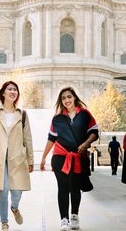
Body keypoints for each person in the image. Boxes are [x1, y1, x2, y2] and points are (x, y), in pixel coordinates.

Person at [40, 87, 98, 231]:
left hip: (79, 157)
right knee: (63, 187)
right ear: (61, 101)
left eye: (69, 97)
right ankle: (64, 220)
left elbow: (94, 132)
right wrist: (43, 158)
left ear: (74, 98)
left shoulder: (85, 114)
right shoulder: (57, 119)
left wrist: (85, 143)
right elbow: (51, 139)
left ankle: (74, 216)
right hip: (60, 157)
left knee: (75, 187)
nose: (67, 100)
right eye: (63, 98)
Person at [0, 81, 34, 231]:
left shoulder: (22, 114)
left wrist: (31, 160)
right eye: (9, 89)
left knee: (17, 190)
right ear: (3, 93)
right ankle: (4, 222)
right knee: (3, 189)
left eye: (15, 89)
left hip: (18, 158)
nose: (13, 91)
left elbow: (28, 139)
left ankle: (15, 208)